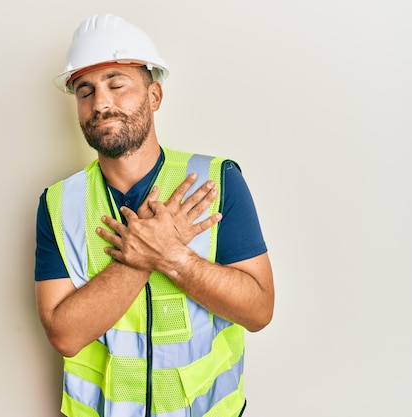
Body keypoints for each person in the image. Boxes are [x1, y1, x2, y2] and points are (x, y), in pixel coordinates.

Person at [34, 13, 274, 417]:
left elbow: (259, 310)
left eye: (117, 83)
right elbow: (64, 334)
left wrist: (175, 258)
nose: (101, 103)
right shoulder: (59, 203)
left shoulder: (217, 181)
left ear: (154, 97)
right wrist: (148, 254)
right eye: (85, 91)